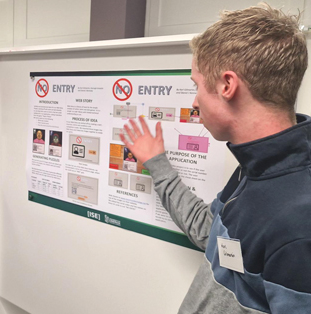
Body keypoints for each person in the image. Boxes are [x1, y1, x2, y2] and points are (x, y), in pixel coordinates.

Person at [120, 4, 311, 313]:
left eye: (197, 86)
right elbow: (211, 233)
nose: (195, 102)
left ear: (226, 85)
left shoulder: (297, 222)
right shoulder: (257, 170)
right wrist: (157, 164)